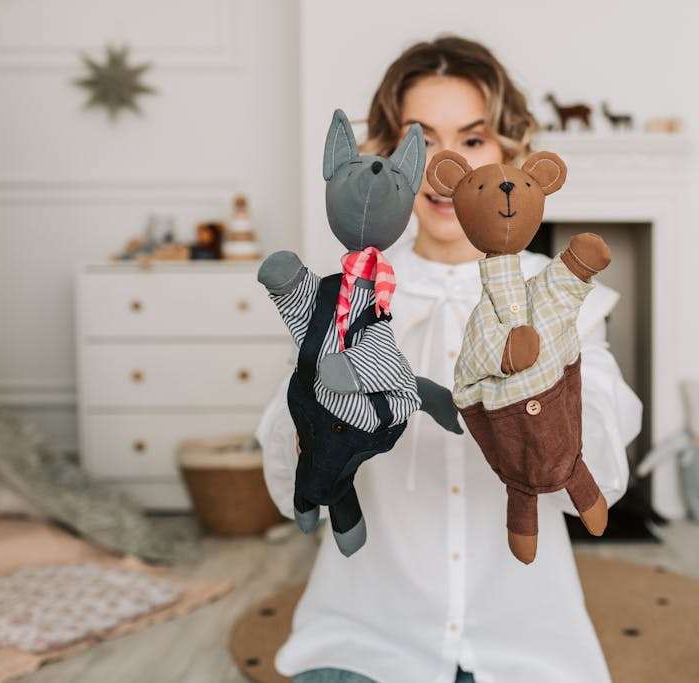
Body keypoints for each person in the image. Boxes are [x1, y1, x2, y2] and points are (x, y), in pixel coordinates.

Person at [256, 35, 643, 683]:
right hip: (364, 637)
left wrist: (550, 392)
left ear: (509, 154)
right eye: (423, 139)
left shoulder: (560, 299)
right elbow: (286, 487)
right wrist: (316, 408)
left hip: (529, 646)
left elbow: (599, 481)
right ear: (389, 157)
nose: (446, 166)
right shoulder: (346, 298)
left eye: (472, 139)